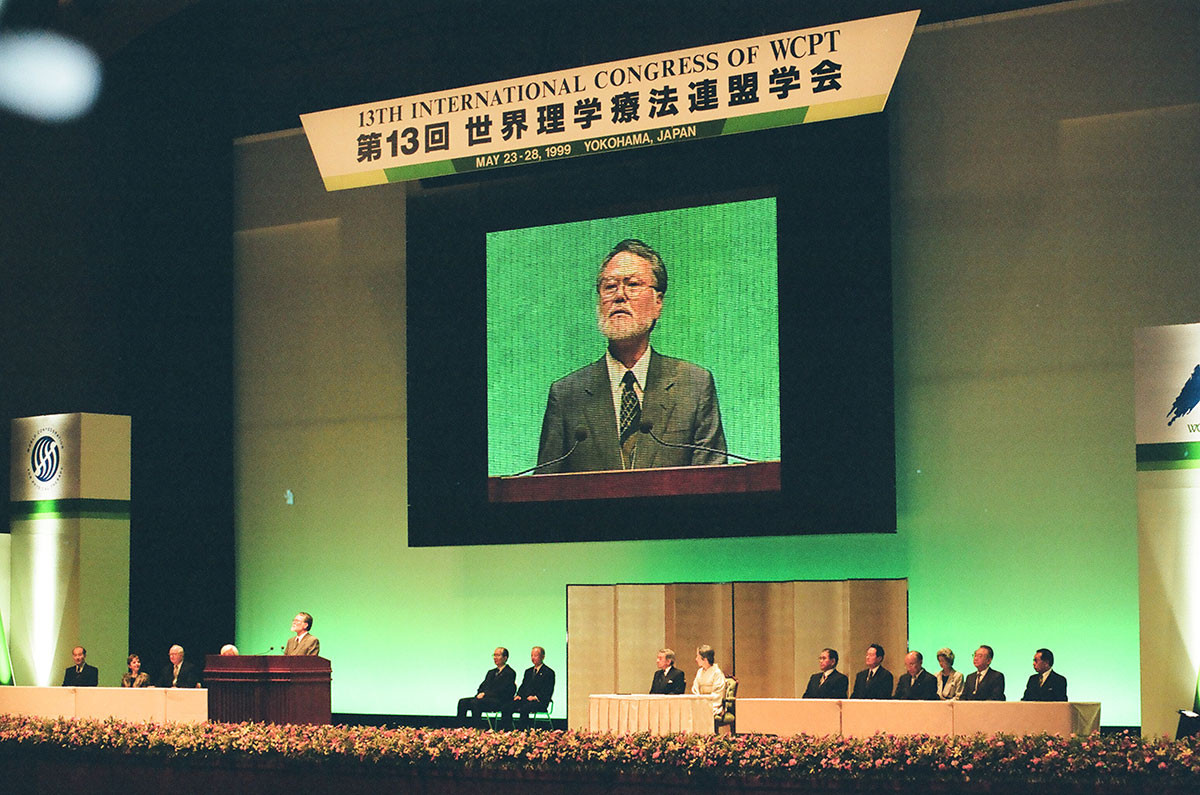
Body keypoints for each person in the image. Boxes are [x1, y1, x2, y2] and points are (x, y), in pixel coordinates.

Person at [537, 239, 727, 473]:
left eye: (633, 285)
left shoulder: (694, 385)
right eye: (609, 286)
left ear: (658, 302)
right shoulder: (567, 395)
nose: (619, 296)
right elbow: (544, 489)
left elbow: (713, 483)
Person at [456, 647, 517, 725]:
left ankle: (477, 727)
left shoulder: (510, 672)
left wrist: (485, 694)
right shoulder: (491, 672)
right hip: (486, 699)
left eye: (498, 655)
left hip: (499, 700)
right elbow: (482, 686)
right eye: (494, 655)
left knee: (475, 703)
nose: (495, 658)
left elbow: (502, 690)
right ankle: (461, 728)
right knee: (463, 702)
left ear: (505, 658)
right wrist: (480, 693)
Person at [507, 646, 556, 729]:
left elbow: (548, 690)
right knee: (507, 706)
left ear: (543, 657)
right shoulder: (528, 671)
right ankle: (507, 730)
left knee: (524, 708)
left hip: (539, 701)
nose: (533, 658)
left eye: (536, 655)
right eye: (532, 655)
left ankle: (523, 731)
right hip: (526, 699)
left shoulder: (548, 672)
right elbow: (523, 686)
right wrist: (519, 695)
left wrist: (536, 697)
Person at [691, 644, 727, 717]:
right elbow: (695, 689)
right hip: (700, 703)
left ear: (705, 659)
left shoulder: (717, 673)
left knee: (703, 713)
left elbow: (718, 694)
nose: (696, 659)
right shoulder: (700, 672)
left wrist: (704, 702)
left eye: (698, 657)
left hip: (712, 705)